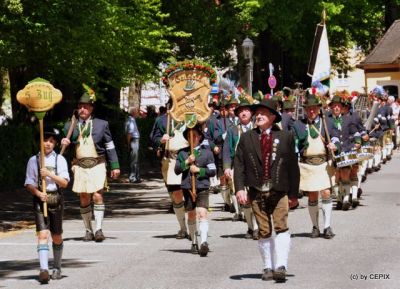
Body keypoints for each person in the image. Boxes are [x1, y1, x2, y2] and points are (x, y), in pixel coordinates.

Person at [234, 99, 300, 282]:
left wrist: (294, 194)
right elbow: (238, 164)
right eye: (258, 113)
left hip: (280, 191)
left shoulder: (286, 136)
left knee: (281, 226)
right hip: (255, 191)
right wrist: (239, 188)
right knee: (263, 230)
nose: (259, 116)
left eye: (263, 113)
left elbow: (293, 167)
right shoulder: (247, 137)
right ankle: (267, 267)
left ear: (273, 117)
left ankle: (281, 266)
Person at [61, 89, 120, 242]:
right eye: (80, 106)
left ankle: (99, 229)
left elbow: (110, 145)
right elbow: (65, 145)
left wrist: (115, 165)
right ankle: (88, 230)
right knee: (84, 197)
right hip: (79, 166)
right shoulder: (70, 126)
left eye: (86, 106)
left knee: (98, 195)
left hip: (98, 164)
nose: (82, 109)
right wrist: (64, 142)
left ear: (91, 108)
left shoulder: (102, 124)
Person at [24, 128, 70, 283]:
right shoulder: (33, 160)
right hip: (40, 200)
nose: (48, 144)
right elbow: (29, 183)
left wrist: (49, 174)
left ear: (55, 143)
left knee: (56, 236)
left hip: (56, 199)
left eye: (51, 141)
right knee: (43, 234)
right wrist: (38, 193)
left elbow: (64, 183)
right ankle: (43, 270)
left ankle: (57, 266)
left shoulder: (60, 160)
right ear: (40, 141)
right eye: (45, 140)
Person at [292, 91, 338, 239]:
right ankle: (315, 227)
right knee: (312, 196)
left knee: (325, 192)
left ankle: (327, 226)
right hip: (307, 165)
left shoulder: (327, 122)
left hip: (324, 163)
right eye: (309, 108)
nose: (311, 111)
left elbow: (337, 136)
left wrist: (334, 145)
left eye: (314, 108)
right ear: (305, 110)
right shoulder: (298, 125)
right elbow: (294, 143)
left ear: (319, 109)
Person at [150, 100, 189, 239]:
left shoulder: (190, 119)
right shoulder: (162, 120)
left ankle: (193, 226)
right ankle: (183, 228)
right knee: (176, 195)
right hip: (170, 161)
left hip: (187, 159)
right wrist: (160, 140)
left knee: (190, 194)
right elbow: (152, 137)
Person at [175, 124, 216, 256]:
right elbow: (176, 170)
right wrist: (186, 162)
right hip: (187, 187)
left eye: (194, 135)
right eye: (189, 136)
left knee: (202, 213)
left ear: (199, 137)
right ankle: (194, 241)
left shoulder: (207, 152)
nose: (192, 138)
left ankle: (204, 242)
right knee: (191, 214)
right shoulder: (182, 153)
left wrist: (199, 170)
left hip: (202, 186)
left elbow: (213, 171)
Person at [223, 97, 258, 239]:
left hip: (255, 168)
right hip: (238, 168)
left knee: (255, 197)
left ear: (251, 113)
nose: (243, 113)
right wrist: (226, 167)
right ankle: (250, 226)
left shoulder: (257, 129)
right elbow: (226, 150)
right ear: (237, 114)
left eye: (246, 110)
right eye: (241, 111)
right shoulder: (232, 131)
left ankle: (256, 227)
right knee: (244, 199)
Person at [125, 107, 141, 183]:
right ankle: (133, 177)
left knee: (135, 159)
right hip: (133, 140)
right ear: (133, 112)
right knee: (134, 160)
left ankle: (136, 177)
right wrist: (128, 144)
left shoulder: (132, 120)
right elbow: (129, 133)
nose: (138, 113)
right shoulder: (131, 120)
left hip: (134, 140)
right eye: (137, 111)